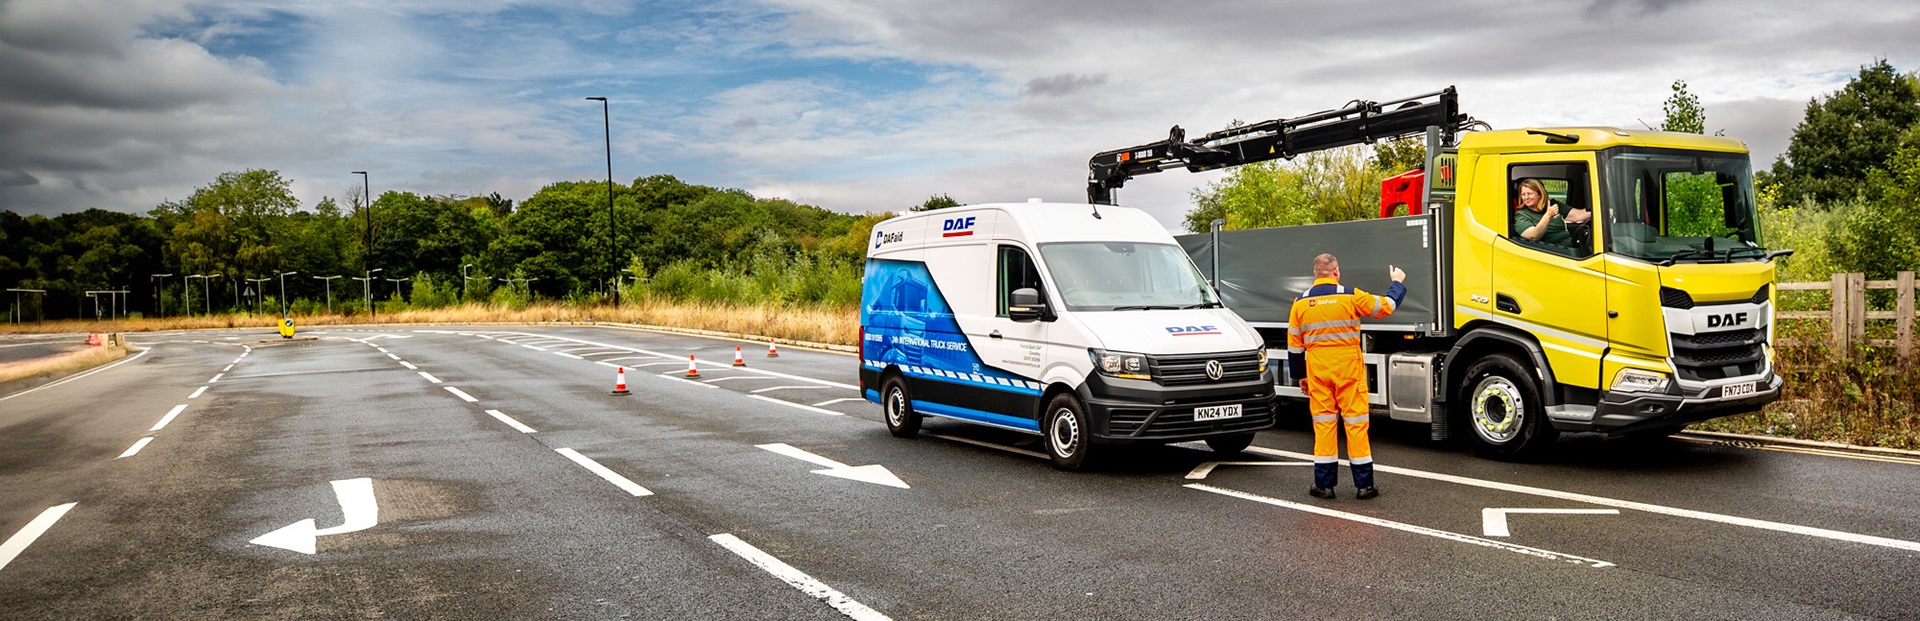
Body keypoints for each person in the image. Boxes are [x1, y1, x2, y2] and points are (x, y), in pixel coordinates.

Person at [1287, 254, 1406, 500]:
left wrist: (1301, 375)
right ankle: (1364, 486)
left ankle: (1325, 486)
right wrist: (1397, 282)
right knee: (1356, 426)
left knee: (1324, 428)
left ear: (1316, 274)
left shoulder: (1299, 303)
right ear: (1336, 272)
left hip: (1318, 372)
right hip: (1349, 370)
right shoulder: (1351, 295)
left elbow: (1295, 347)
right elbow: (1386, 306)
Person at [1512, 178, 1590, 248]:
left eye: (1529, 194)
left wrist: (1599, 208)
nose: (1526, 197)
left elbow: (1577, 216)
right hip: (1552, 253)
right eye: (1523, 195)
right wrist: (1548, 215)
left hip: (1570, 247)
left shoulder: (1552, 204)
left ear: (1539, 194)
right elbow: (1533, 236)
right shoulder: (1521, 215)